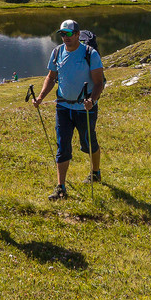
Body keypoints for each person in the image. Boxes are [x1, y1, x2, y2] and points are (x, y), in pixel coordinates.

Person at [33, 18, 105, 199]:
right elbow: (51, 77)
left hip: (85, 108)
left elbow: (99, 82)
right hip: (63, 107)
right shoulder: (57, 52)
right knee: (62, 146)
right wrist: (41, 97)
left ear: (78, 35)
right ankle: (60, 187)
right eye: (62, 34)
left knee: (89, 143)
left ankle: (95, 172)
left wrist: (91, 99)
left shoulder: (90, 54)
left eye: (69, 34)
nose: (65, 37)